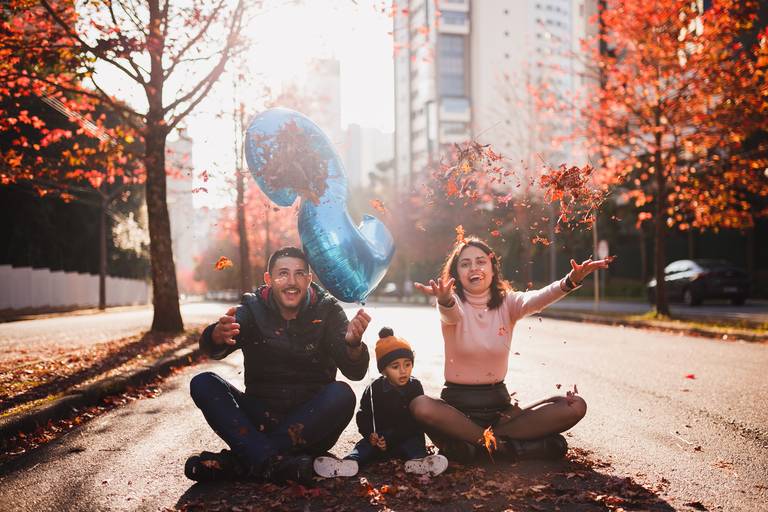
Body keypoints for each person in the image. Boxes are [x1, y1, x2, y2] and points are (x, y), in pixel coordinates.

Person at [411, 237, 611, 463]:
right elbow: (450, 312)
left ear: (492, 268)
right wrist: (445, 300)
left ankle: (479, 448)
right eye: (465, 264)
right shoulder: (453, 303)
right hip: (457, 413)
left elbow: (538, 298)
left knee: (574, 406)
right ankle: (511, 448)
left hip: (501, 413)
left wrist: (570, 280)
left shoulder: (509, 303)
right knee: (421, 405)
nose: (474, 267)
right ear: (457, 273)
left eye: (480, 261)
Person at [185, 246, 371, 485]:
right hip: (260, 416)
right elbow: (214, 348)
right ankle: (274, 462)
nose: (291, 282)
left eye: (299, 274)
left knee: (343, 394)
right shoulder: (252, 308)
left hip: (311, 425)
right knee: (203, 383)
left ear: (309, 278)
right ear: (268, 279)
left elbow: (355, 373)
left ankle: (245, 461)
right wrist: (216, 336)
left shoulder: (328, 310)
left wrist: (354, 345)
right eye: (283, 273)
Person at [313, 327, 448, 478]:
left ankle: (420, 462)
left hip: (405, 435)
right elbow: (364, 415)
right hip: (380, 438)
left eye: (407, 364)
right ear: (383, 370)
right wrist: (370, 433)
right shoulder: (374, 389)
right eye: (395, 367)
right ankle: (349, 463)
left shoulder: (414, 386)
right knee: (363, 447)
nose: (403, 371)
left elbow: (415, 421)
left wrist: (392, 438)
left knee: (414, 443)